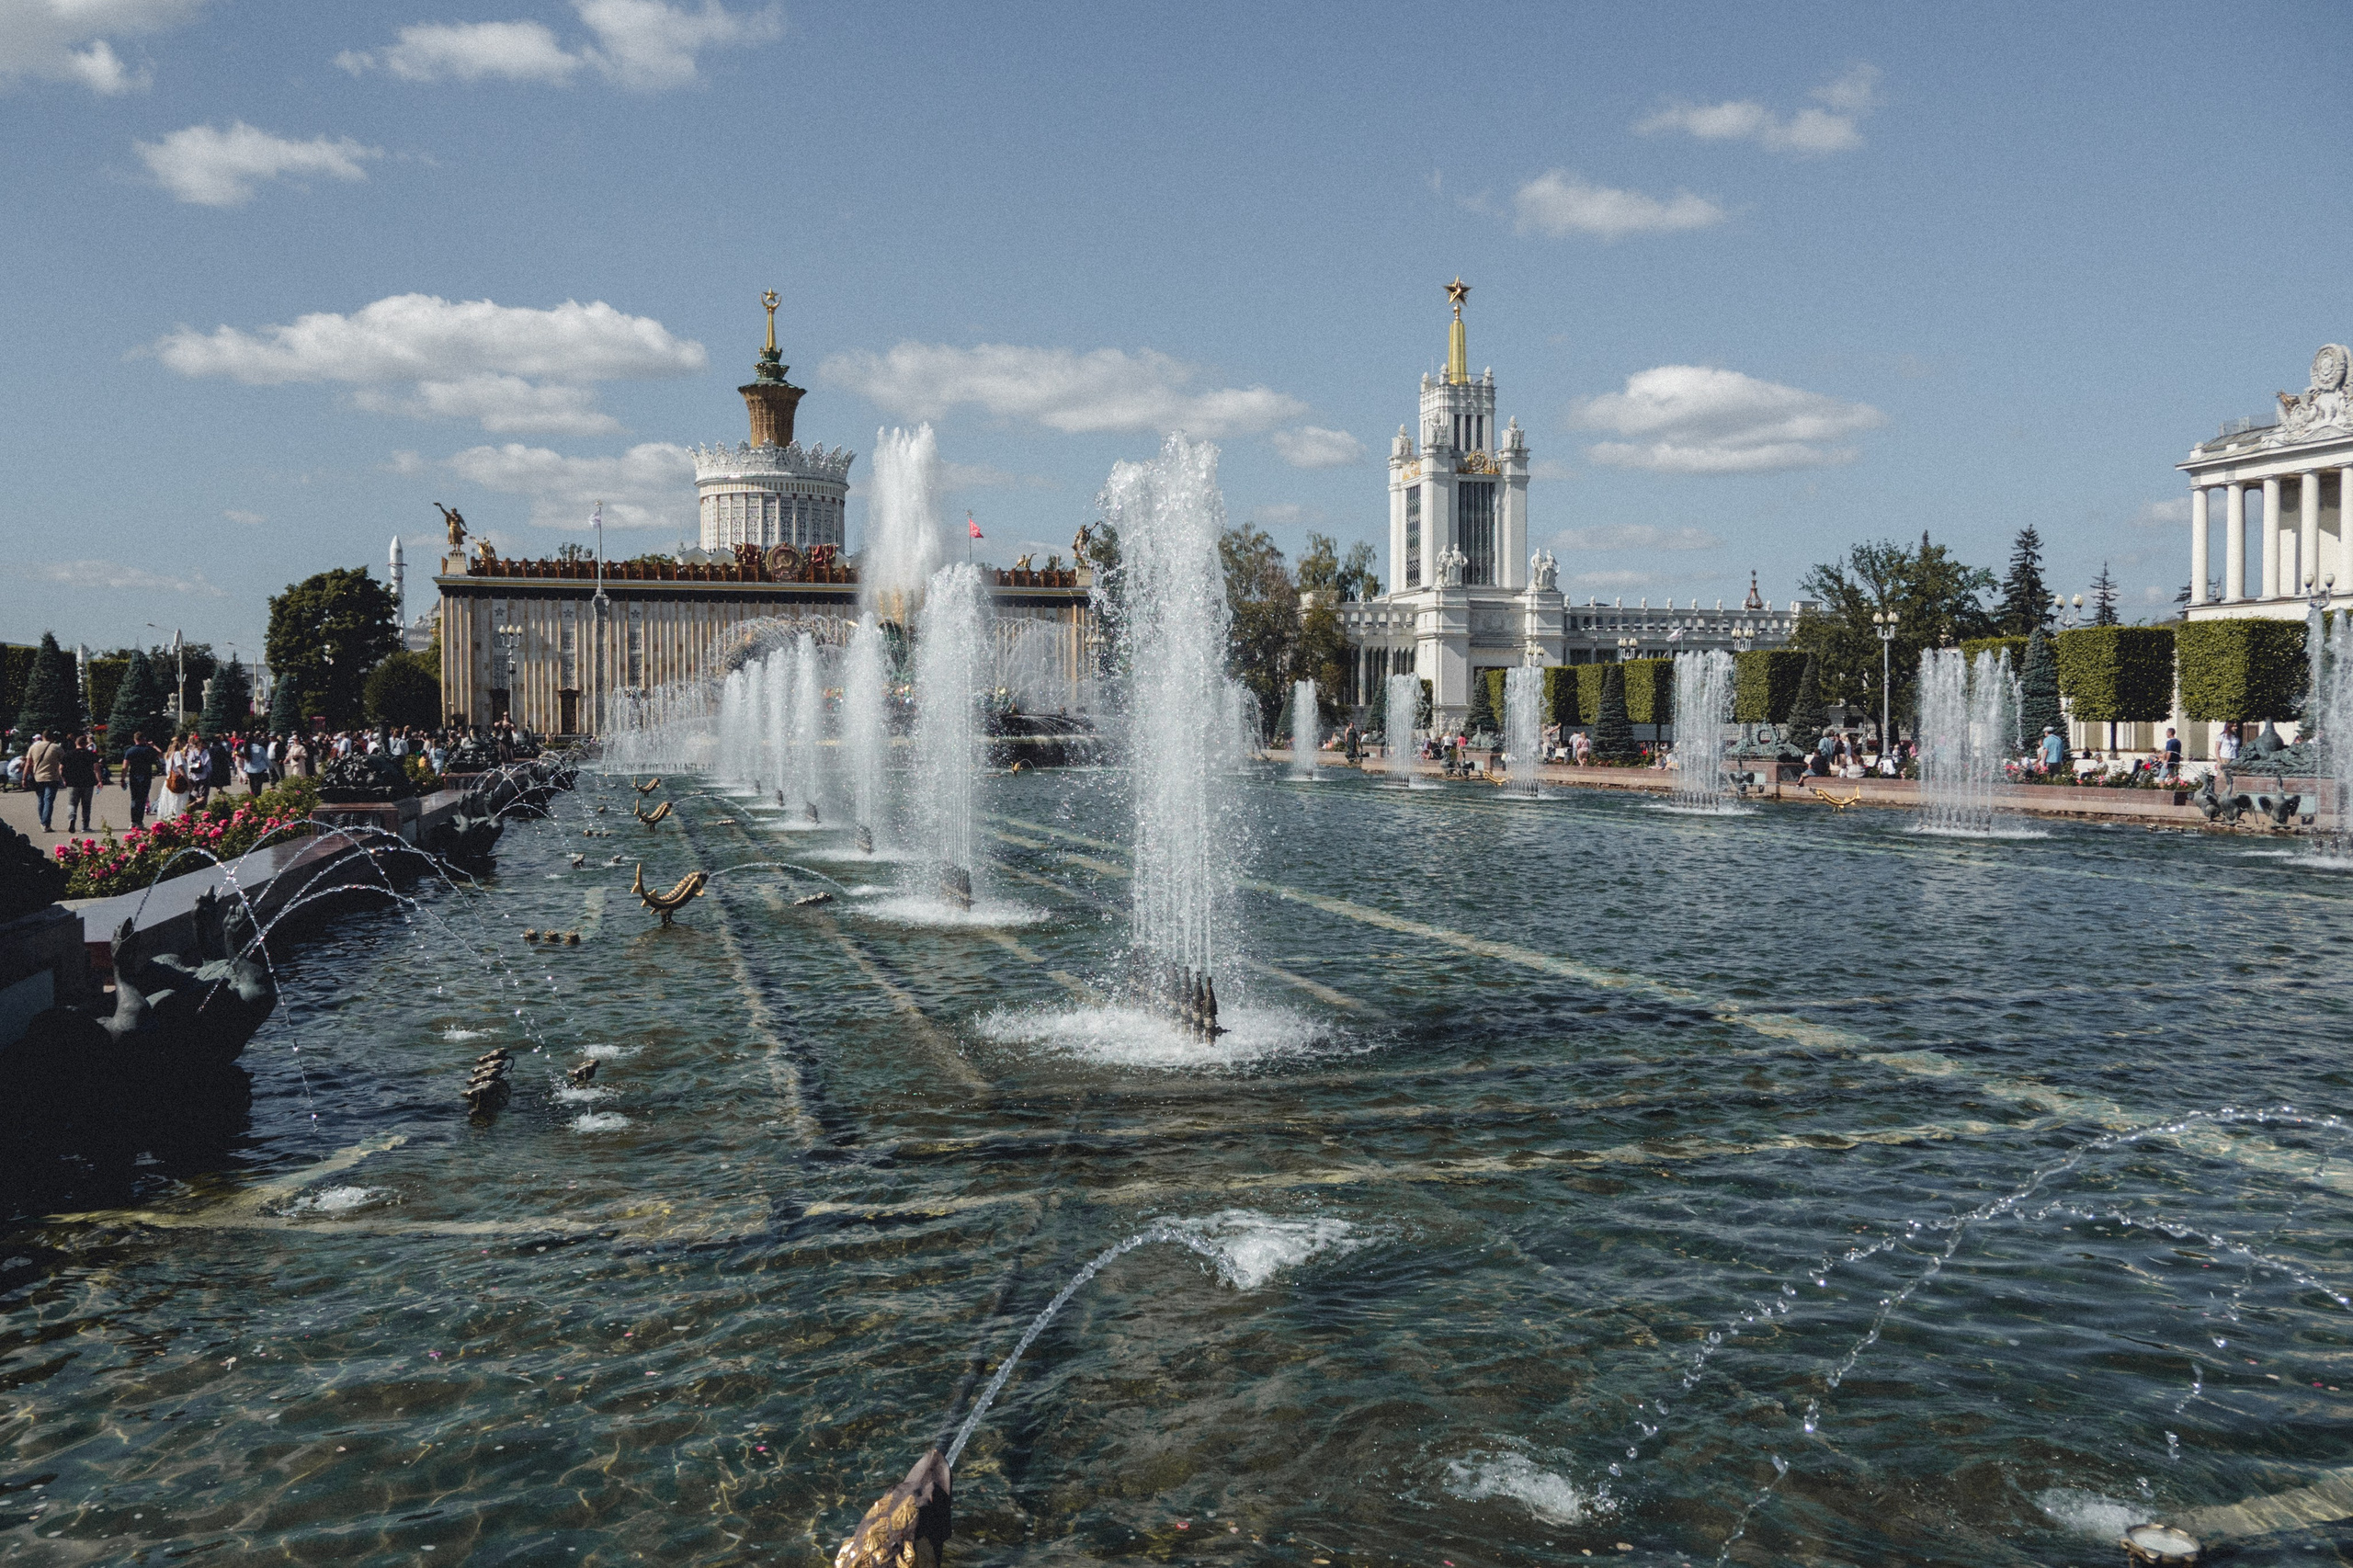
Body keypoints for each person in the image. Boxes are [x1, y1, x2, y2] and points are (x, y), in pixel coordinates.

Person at [23, 728, 65, 832]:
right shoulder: (56, 748)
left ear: (42, 737)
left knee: (41, 800)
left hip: (37, 777)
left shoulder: (33, 747)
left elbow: (28, 764)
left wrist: (24, 778)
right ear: (52, 737)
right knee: (48, 801)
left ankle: (43, 821)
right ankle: (45, 823)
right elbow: (64, 762)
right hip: (52, 777)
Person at [61, 733, 99, 833]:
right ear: (86, 744)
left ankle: (72, 818)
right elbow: (96, 768)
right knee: (86, 804)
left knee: (72, 803)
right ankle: (85, 826)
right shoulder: (91, 754)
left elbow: (61, 768)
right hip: (88, 782)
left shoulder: (68, 754)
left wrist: (64, 779)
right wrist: (99, 780)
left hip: (72, 782)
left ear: (76, 743)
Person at [122, 730, 160, 830]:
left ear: (135, 740)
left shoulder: (130, 750)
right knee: (142, 799)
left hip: (134, 777)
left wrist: (122, 779)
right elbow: (160, 754)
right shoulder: (148, 750)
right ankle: (139, 822)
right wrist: (153, 745)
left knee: (134, 799)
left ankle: (133, 821)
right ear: (144, 739)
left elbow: (125, 766)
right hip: (146, 777)